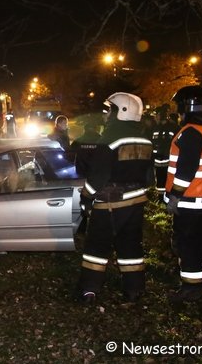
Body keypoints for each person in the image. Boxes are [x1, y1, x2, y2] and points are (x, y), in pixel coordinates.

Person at [76, 92, 154, 304]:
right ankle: (134, 289)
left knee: (96, 248)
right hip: (136, 202)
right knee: (130, 246)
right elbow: (149, 176)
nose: (106, 114)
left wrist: (86, 197)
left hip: (110, 204)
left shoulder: (109, 139)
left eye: (109, 110)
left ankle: (89, 290)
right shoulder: (145, 139)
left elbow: (98, 175)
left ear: (121, 112)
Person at [164, 86, 202, 302]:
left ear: (185, 106)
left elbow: (186, 170)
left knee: (187, 241)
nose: (178, 112)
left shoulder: (189, 133)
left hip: (189, 199)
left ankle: (191, 286)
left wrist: (175, 196)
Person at [151, 105, 180, 194]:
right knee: (160, 179)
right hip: (159, 160)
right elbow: (154, 143)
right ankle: (161, 196)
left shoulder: (173, 128)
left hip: (168, 160)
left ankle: (165, 196)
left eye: (156, 115)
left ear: (160, 115)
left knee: (167, 179)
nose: (155, 117)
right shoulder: (156, 127)